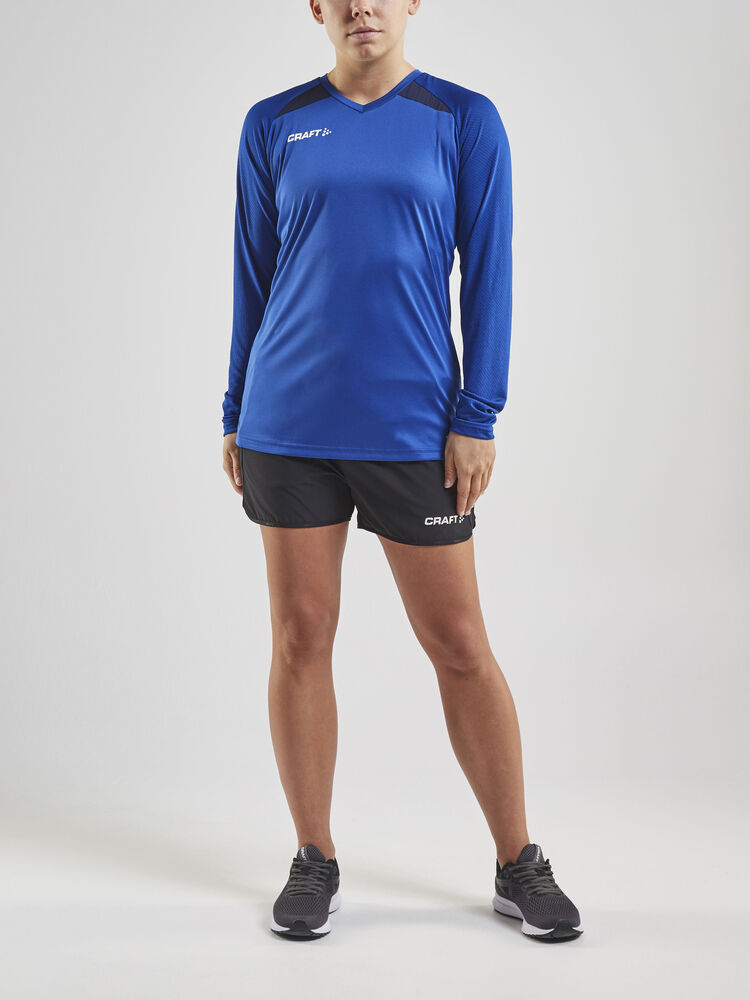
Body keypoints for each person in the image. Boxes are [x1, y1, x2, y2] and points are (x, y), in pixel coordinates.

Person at [221, 0, 583, 942]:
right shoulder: (274, 123)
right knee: (300, 636)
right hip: (288, 423)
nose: (362, 7)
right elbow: (252, 275)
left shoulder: (462, 118)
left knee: (458, 643)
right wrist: (235, 410)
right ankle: (314, 856)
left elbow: (491, 272)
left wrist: (477, 415)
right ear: (316, 7)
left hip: (414, 427)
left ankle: (518, 861)